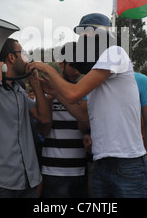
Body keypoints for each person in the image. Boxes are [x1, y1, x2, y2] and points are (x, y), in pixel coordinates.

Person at [31, 17, 147, 198]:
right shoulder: (97, 73)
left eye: (86, 36)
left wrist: (48, 69)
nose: (82, 42)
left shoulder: (115, 53)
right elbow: (83, 116)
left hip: (126, 163)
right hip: (102, 163)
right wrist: (55, 92)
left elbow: (73, 94)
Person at [0, 38, 51, 198]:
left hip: (27, 181)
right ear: (11, 58)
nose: (26, 58)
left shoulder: (18, 91)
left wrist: (35, 84)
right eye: (22, 53)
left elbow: (44, 118)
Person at [39, 42, 90, 198]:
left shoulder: (84, 91)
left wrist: (62, 95)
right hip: (52, 170)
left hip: (79, 169)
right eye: (73, 66)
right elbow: (44, 129)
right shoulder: (47, 90)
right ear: (61, 63)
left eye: (80, 67)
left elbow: (84, 125)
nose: (77, 71)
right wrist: (49, 96)